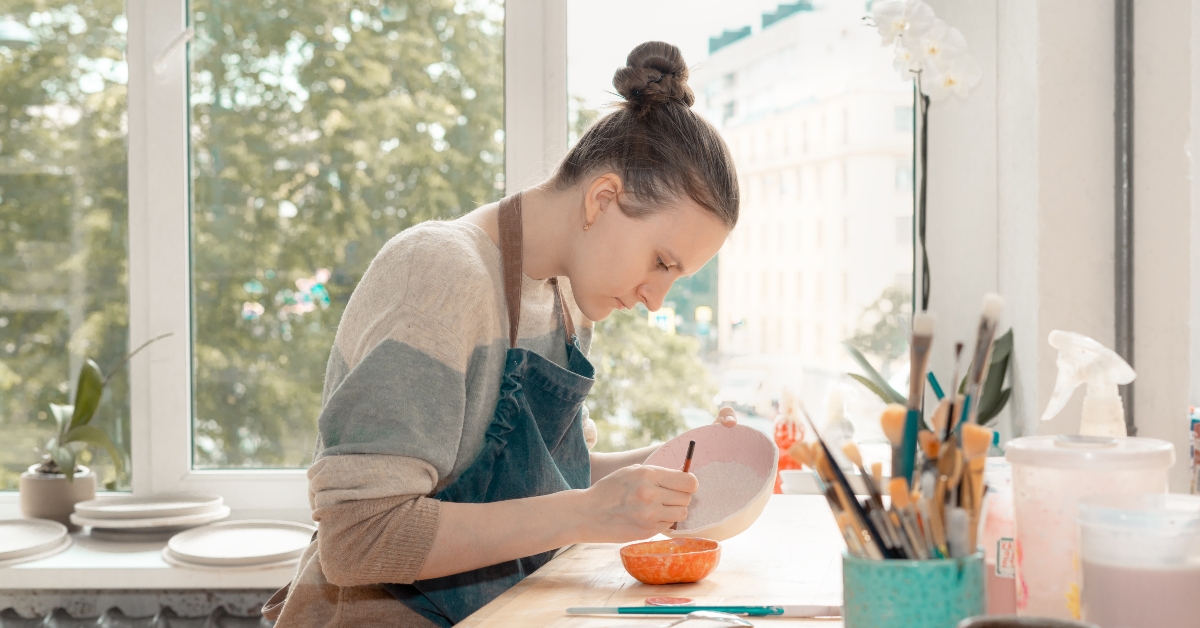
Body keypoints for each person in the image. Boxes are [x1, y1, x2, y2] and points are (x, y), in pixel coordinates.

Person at [265, 40, 740, 627]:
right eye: (661, 263)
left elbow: (547, 481)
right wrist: (587, 513)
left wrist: (674, 463)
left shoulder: (564, 298)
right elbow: (359, 538)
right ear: (603, 199)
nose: (654, 298)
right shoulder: (438, 273)